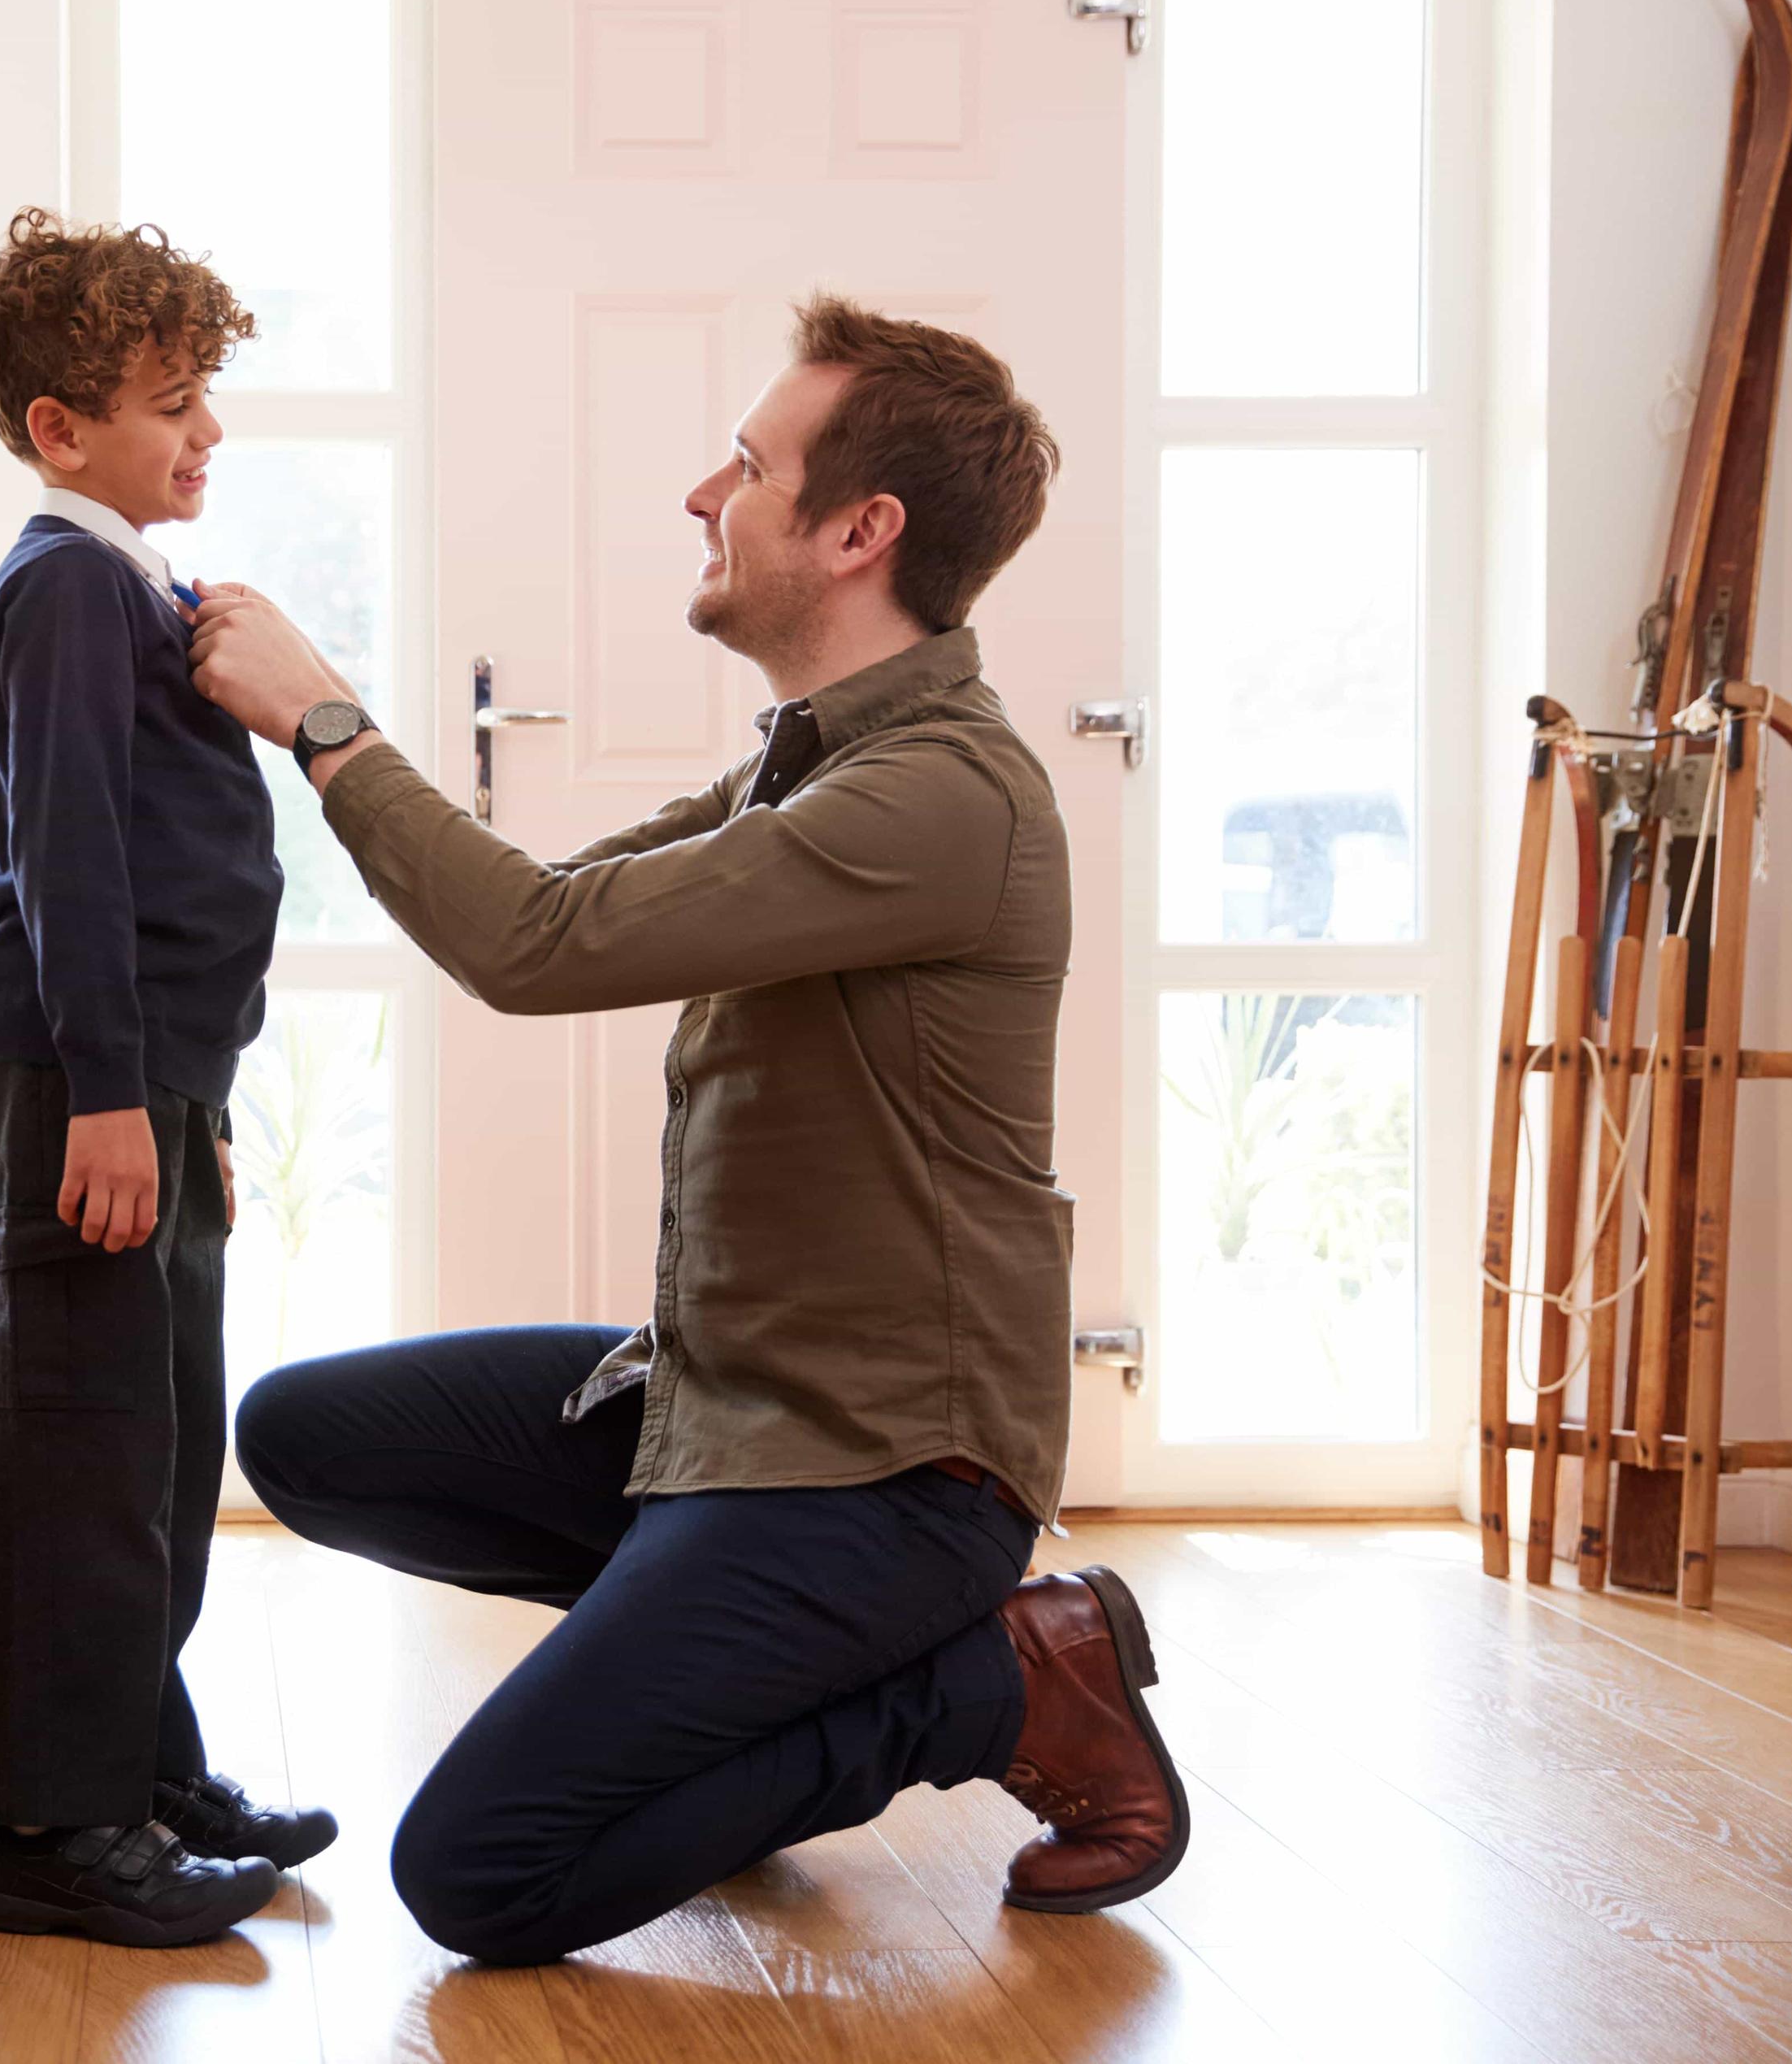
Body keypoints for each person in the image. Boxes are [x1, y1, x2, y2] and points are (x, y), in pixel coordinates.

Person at [183, 298, 1186, 1966]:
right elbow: (560, 902)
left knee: (482, 1871)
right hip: (726, 1404)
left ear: (862, 531)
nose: (700, 496)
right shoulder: (806, 767)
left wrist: (325, 719)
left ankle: (997, 1675)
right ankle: (721, 1713)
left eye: (747, 464)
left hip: (883, 1472)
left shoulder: (944, 793)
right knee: (306, 1434)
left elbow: (530, 950)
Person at [0, 206, 336, 1949]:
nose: (208, 431)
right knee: (87, 1454)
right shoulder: (65, 588)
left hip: (150, 1083)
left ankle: (142, 1763)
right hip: (81, 1084)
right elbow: (75, 855)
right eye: (173, 399)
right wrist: (111, 1092)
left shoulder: (131, 580)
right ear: (61, 426)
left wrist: (193, 1102)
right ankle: (52, 1825)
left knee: (163, 1449)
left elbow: (176, 882)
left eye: (206, 394)